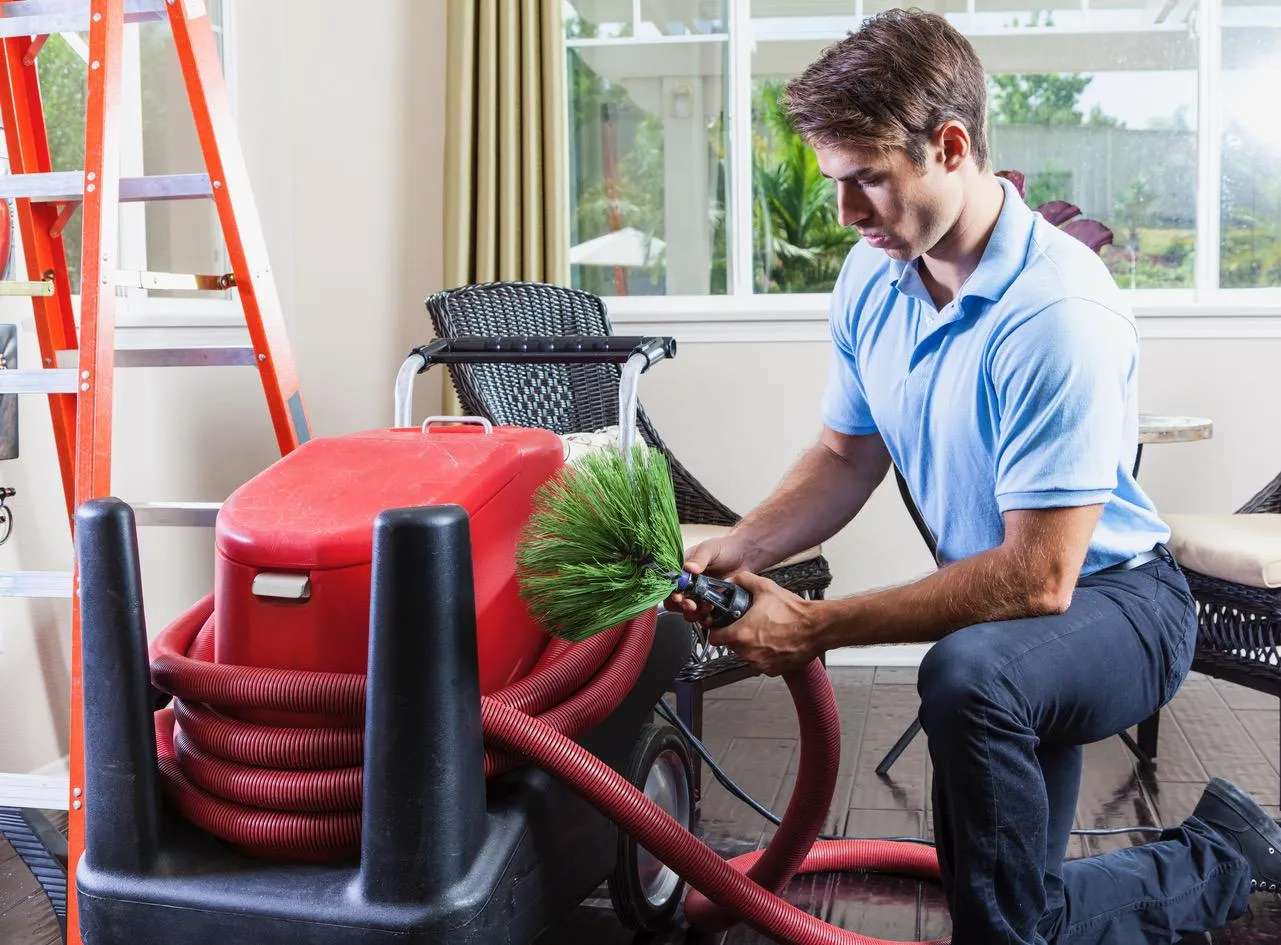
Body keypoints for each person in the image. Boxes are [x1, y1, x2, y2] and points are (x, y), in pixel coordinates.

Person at [666, 8, 1280, 944]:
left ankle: (1218, 857)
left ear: (951, 147)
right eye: (836, 182)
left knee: (968, 678)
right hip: (1007, 620)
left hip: (1117, 604)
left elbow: (1039, 577)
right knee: (1005, 909)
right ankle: (1215, 851)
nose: (845, 213)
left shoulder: (1058, 310)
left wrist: (818, 626)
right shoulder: (874, 275)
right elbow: (844, 455)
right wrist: (725, 551)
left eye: (867, 178)